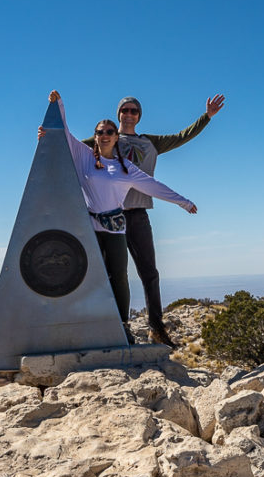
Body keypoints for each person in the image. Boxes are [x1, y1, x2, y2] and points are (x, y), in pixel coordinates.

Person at [40, 90, 197, 345]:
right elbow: (65, 138)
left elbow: (155, 183)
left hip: (123, 223)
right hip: (92, 224)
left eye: (109, 133)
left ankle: (139, 327)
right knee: (92, 274)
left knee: (132, 275)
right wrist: (53, 119)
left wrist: (183, 202)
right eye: (100, 132)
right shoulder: (88, 153)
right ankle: (90, 325)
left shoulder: (133, 160)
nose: (104, 135)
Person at [88, 94, 225, 347]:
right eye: (125, 110)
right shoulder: (105, 137)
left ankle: (157, 328)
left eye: (134, 111)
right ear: (118, 114)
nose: (129, 114)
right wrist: (48, 134)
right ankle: (113, 327)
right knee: (109, 274)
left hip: (138, 214)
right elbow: (70, 146)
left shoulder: (151, 142)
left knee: (149, 273)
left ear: (139, 116)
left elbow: (182, 136)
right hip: (108, 218)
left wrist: (206, 118)